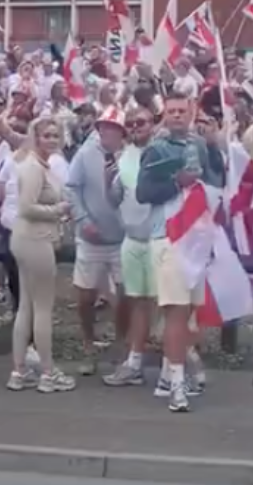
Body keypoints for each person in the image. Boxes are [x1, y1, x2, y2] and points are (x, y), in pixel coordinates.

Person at [136, 92, 225, 413]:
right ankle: (175, 384)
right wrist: (177, 182)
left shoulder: (199, 145)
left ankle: (167, 376)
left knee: (188, 313)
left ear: (190, 114)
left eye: (180, 111)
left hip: (196, 236)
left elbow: (216, 182)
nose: (176, 115)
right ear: (164, 115)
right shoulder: (156, 148)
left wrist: (214, 146)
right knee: (175, 311)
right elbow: (143, 192)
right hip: (168, 235)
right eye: (170, 111)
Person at [7, 117, 76, 394]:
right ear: (35, 137)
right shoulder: (33, 168)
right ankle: (47, 372)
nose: (51, 140)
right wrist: (58, 210)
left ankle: (19, 370)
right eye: (46, 135)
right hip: (35, 239)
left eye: (55, 135)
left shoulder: (38, 166)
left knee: (27, 305)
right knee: (42, 308)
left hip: (26, 239)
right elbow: (26, 207)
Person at [64, 106, 129, 376]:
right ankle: (88, 345)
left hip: (122, 239)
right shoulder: (85, 154)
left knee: (126, 297)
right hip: (90, 239)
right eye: (103, 128)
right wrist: (82, 220)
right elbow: (71, 188)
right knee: (85, 296)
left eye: (113, 129)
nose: (107, 133)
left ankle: (122, 347)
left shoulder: (129, 156)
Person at [103, 105, 159, 387]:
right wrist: (106, 182)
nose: (137, 127)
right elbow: (115, 199)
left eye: (142, 122)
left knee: (170, 305)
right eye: (132, 123)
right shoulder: (124, 157)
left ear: (153, 124)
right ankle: (134, 363)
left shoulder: (161, 153)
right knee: (136, 301)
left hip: (160, 240)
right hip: (132, 239)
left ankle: (184, 365)